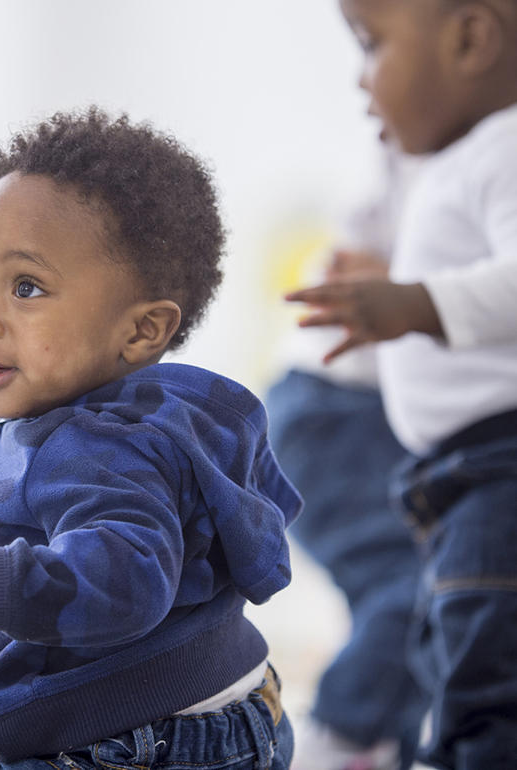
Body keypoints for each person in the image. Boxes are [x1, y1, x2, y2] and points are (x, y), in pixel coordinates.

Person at [0, 106, 303, 770]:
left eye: (27, 287)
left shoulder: (99, 451)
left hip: (122, 742)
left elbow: (122, 582)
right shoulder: (138, 426)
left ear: (140, 331)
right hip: (205, 712)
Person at [286, 1, 517, 766]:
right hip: (423, 456)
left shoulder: (504, 147)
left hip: (488, 464)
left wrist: (412, 301)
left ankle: (359, 735)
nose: (362, 79)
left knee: (473, 657)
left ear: (473, 39)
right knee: (449, 639)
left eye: (373, 46)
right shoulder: (452, 156)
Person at [267, 148, 429, 770]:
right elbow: (345, 265)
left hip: (372, 414)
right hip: (338, 407)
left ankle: (373, 743)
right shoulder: (439, 143)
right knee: (418, 589)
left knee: (424, 608)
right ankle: (337, 740)